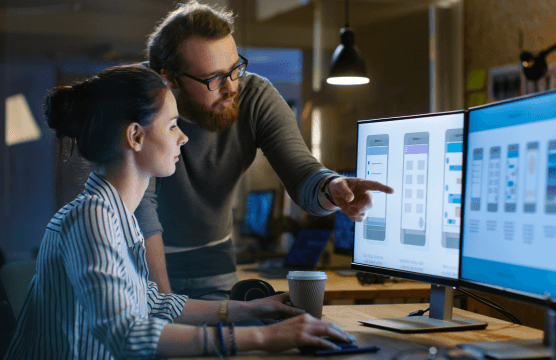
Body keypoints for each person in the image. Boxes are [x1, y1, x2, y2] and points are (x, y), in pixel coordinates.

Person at [3, 65, 356, 359]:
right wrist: (263, 338)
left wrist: (252, 310)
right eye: (172, 125)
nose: (183, 138)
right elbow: (127, 334)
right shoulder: (91, 217)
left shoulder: (115, 215)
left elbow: (153, 303)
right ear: (136, 137)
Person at [136, 0, 394, 298]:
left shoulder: (255, 97)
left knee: (246, 335)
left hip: (213, 261)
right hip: (141, 260)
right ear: (169, 79)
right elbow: (143, 210)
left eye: (235, 69)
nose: (231, 87)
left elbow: (301, 174)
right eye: (214, 78)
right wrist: (165, 304)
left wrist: (331, 186)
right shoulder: (136, 98)